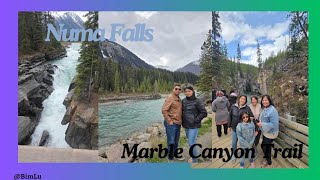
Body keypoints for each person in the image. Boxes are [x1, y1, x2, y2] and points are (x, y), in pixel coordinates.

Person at [182, 85, 207, 163]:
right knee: (191, 141)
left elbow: (204, 112)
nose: (187, 93)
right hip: (186, 125)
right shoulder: (183, 101)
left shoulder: (198, 101)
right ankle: (193, 156)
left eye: (189, 91)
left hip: (194, 125)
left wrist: (195, 120)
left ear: (193, 91)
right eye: (186, 91)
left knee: (191, 142)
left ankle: (194, 159)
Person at [229, 95, 254, 163]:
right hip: (234, 128)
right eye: (241, 98)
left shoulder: (247, 108)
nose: (242, 100)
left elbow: (251, 116)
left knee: (244, 142)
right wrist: (229, 126)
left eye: (244, 99)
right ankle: (233, 155)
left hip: (243, 130)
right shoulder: (233, 106)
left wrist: (250, 119)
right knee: (234, 143)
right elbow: (230, 116)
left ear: (245, 101)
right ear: (239, 99)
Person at [161, 83, 183, 162]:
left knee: (176, 141)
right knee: (171, 141)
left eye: (179, 89)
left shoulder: (179, 98)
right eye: (176, 89)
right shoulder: (170, 97)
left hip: (178, 123)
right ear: (173, 89)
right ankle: (170, 158)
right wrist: (169, 120)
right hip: (171, 123)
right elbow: (164, 110)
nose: (177, 90)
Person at [256, 95, 279, 168]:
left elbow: (274, 124)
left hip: (271, 133)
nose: (264, 102)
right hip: (266, 132)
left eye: (266, 100)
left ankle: (269, 162)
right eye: (263, 100)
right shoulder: (264, 108)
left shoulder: (272, 110)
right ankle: (267, 159)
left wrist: (262, 124)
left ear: (269, 101)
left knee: (265, 146)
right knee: (264, 146)